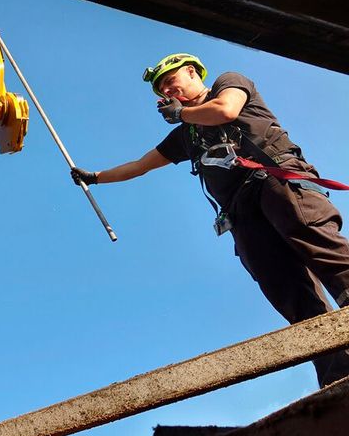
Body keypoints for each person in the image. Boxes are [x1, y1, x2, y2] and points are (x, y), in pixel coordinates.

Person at [71, 53, 349, 387]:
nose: (168, 92)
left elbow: (226, 110)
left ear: (191, 72)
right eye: (163, 90)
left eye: (171, 82)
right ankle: (338, 377)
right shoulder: (185, 136)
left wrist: (182, 113)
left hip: (276, 182)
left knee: (318, 246)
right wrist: (96, 177)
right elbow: (141, 165)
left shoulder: (228, 83)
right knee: (286, 289)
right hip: (241, 213)